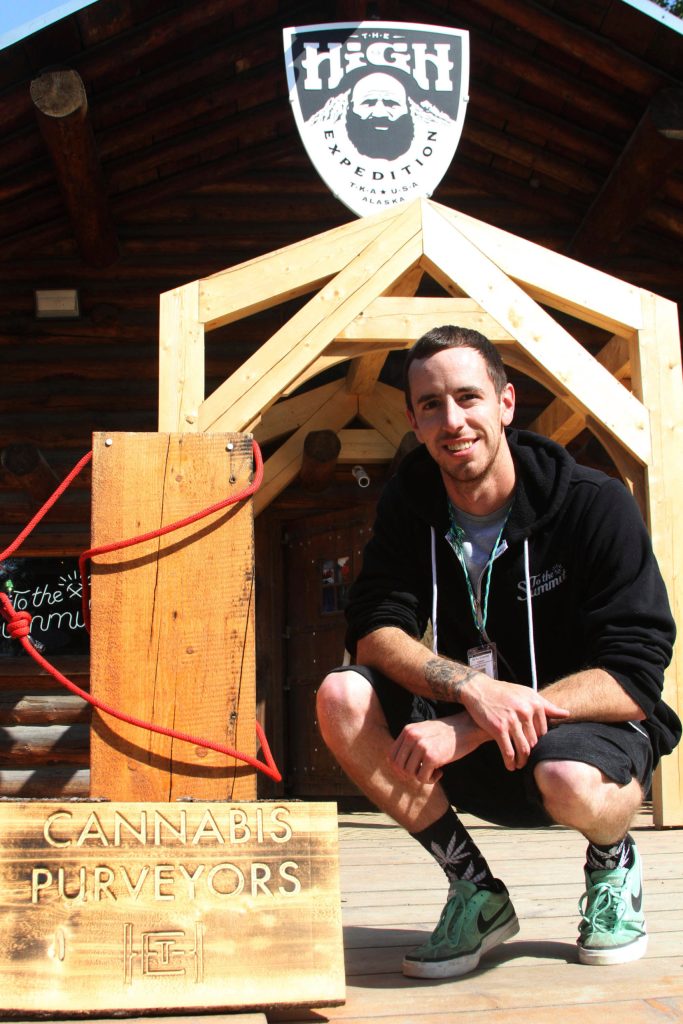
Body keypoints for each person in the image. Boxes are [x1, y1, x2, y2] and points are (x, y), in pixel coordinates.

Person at [317, 325, 680, 979]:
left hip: (586, 737)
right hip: (474, 732)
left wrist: (472, 724)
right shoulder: (411, 503)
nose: (452, 421)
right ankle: (474, 889)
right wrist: (470, 690)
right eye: (431, 405)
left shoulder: (593, 504)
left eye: (467, 397)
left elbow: (634, 675)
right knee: (341, 695)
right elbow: (375, 628)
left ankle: (611, 859)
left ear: (505, 403)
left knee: (568, 779)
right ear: (414, 420)